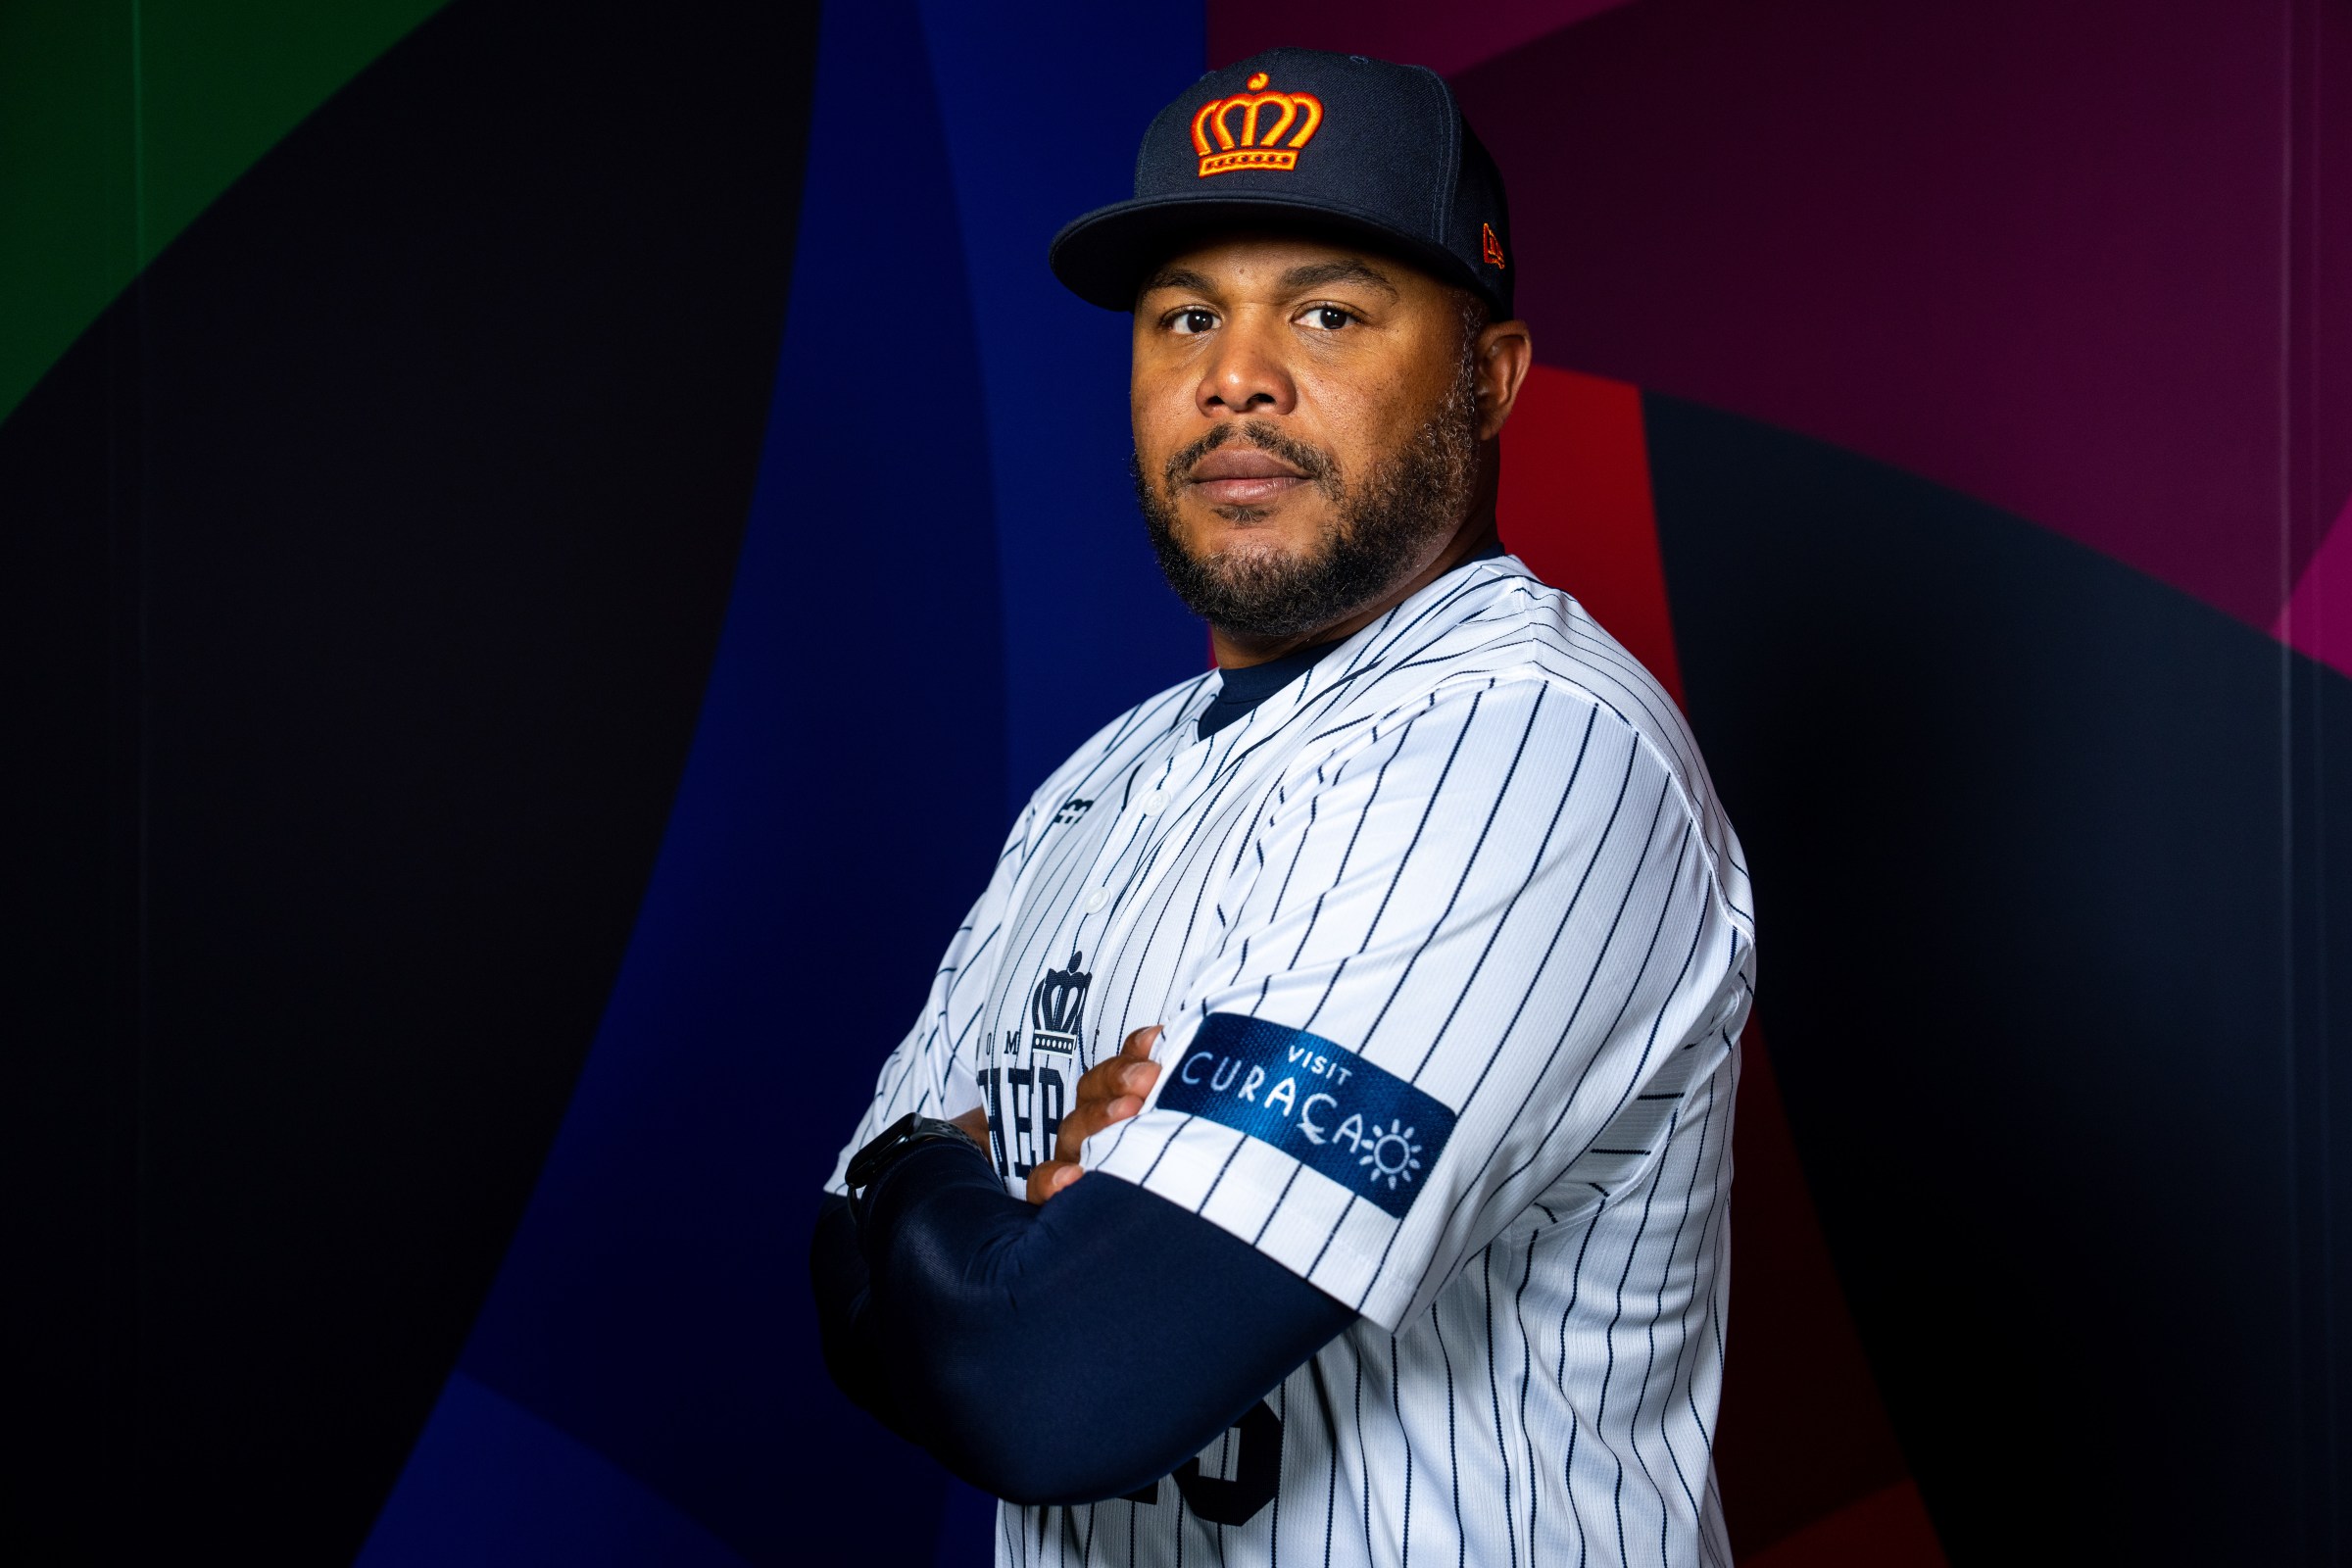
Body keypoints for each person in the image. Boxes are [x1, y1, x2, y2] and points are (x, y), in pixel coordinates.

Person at [811, 47, 1753, 1567]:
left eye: (1326, 312)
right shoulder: (1098, 782)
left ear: (1490, 377)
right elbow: (846, 1286)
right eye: (1187, 313)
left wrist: (939, 1188)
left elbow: (1045, 1381)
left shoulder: (1533, 751)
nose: (1233, 374)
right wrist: (968, 1212)